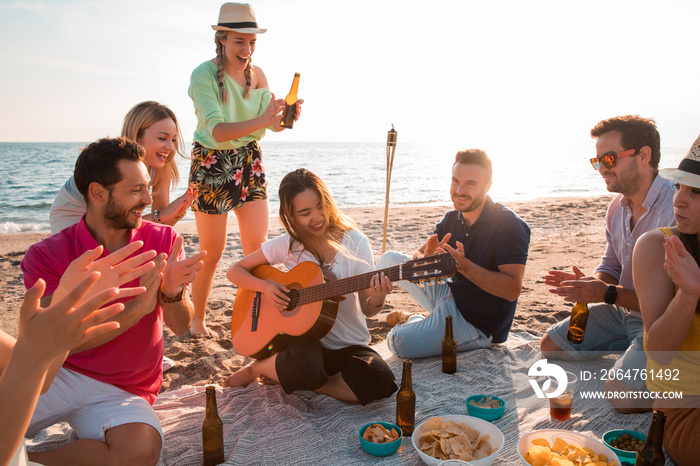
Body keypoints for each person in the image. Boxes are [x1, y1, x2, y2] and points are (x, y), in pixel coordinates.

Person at [20, 137, 205, 465]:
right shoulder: (45, 256)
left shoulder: (164, 240)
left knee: (139, 452)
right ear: (97, 193)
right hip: (60, 375)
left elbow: (179, 326)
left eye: (148, 187)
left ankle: (28, 457)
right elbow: (48, 346)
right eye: (136, 190)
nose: (148, 200)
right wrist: (138, 310)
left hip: (126, 390)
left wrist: (173, 293)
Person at [223, 168, 397, 405]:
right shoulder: (288, 244)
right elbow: (235, 271)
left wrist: (377, 299)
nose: (317, 217)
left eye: (320, 206)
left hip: (349, 345)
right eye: (305, 212)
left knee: (380, 380)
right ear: (290, 216)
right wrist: (266, 287)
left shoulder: (355, 242)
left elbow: (368, 310)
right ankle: (257, 370)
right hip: (304, 345)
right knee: (306, 365)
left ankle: (317, 384)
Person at [540, 115, 675, 413]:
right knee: (550, 347)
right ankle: (631, 355)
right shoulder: (617, 207)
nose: (601, 168)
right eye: (597, 160)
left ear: (643, 155)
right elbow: (611, 267)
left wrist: (606, 294)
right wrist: (590, 285)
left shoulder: (675, 209)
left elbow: (670, 303)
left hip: (659, 324)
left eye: (609, 158)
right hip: (621, 311)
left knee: (623, 396)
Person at [187, 2, 302, 338]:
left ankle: (261, 313)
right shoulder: (203, 75)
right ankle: (197, 321)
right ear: (222, 39)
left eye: (252, 42)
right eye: (240, 41)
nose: (247, 49)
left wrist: (283, 120)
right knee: (212, 252)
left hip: (249, 161)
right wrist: (264, 121)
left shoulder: (258, 74)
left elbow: (272, 124)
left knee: (257, 245)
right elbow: (218, 131)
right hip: (212, 164)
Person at [0, 244, 155, 466]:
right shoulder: (45, 252)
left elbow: (37, 379)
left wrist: (68, 304)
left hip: (117, 391)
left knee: (137, 452)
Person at [376, 149, 531, 359]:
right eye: (455, 181)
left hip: (476, 322)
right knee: (388, 261)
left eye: (470, 183)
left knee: (398, 342)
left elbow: (512, 289)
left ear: (488, 187)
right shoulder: (451, 218)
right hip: (449, 294)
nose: (459, 190)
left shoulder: (510, 226)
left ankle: (413, 320)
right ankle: (428, 322)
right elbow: (419, 254)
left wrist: (463, 265)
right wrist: (423, 261)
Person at [632, 134, 700, 466]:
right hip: (686, 405)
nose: (679, 202)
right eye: (679, 188)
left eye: (695, 192)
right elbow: (658, 351)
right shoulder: (656, 246)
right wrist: (689, 293)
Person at [49, 101, 196, 234]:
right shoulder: (114, 163)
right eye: (162, 138)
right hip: (72, 216)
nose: (171, 147)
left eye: (174, 139)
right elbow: (116, 225)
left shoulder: (162, 166)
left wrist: (179, 210)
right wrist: (163, 215)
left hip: (111, 225)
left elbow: (162, 225)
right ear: (138, 137)